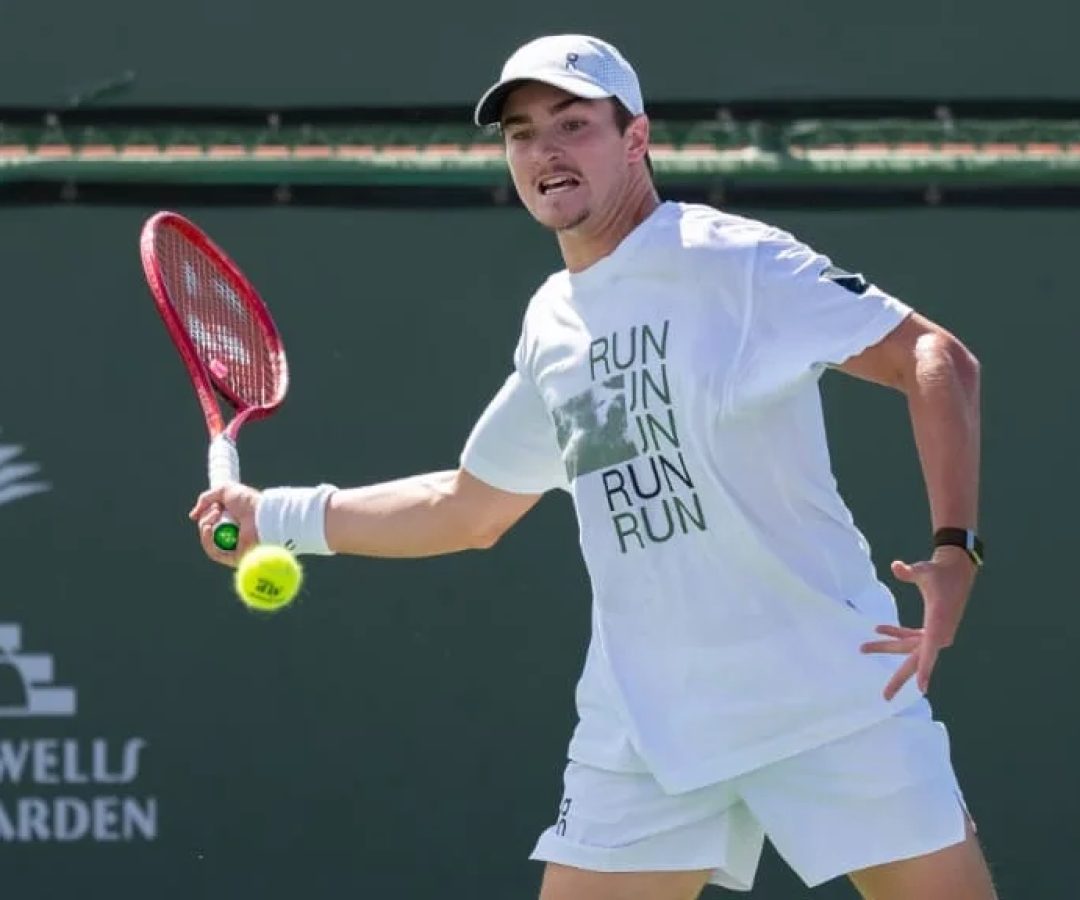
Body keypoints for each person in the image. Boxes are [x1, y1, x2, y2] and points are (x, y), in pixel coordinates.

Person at [190, 34, 995, 900]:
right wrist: (273, 518)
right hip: (645, 728)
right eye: (523, 134)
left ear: (636, 139)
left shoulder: (733, 260)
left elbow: (937, 359)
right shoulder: (554, 322)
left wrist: (956, 550)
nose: (545, 152)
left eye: (573, 124)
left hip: (827, 693)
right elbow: (468, 508)